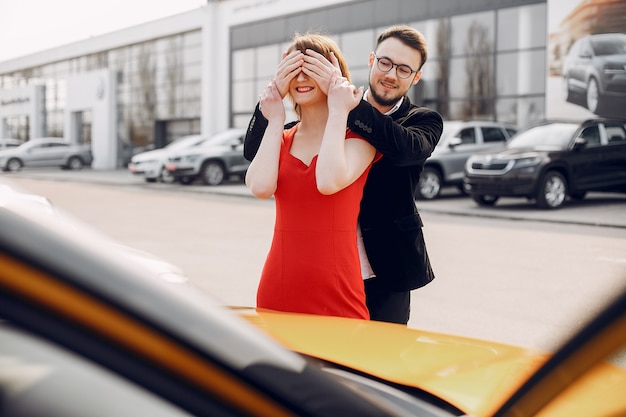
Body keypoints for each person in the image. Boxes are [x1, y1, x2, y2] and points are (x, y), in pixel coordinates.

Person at [244, 25, 443, 325]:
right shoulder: (299, 130)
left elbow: (403, 148)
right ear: (372, 60)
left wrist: (345, 105)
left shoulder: (417, 122)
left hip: (383, 269)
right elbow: (254, 155)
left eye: (403, 69)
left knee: (375, 364)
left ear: (416, 77)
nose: (390, 74)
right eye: (385, 63)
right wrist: (273, 105)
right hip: (296, 271)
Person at [245, 32, 379, 320]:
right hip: (277, 287)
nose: (301, 79)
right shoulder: (280, 137)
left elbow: (328, 181)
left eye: (311, 70)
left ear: (334, 74)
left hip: (337, 292)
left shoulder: (360, 140)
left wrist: (339, 108)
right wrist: (275, 119)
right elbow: (259, 186)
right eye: (294, 71)